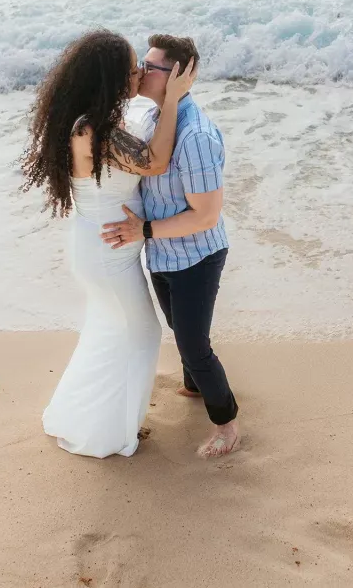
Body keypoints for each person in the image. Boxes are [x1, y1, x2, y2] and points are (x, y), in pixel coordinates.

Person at [20, 29, 195, 458]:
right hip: (106, 250)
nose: (138, 72)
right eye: (131, 66)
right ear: (108, 77)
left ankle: (86, 416)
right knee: (141, 331)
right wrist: (171, 100)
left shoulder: (92, 120)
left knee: (110, 329)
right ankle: (108, 431)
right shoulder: (92, 129)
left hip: (102, 245)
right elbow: (153, 162)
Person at [101, 34, 240, 458]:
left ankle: (228, 424)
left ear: (178, 76)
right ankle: (195, 385)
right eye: (142, 64)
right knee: (183, 331)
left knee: (194, 345)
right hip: (161, 253)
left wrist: (142, 231)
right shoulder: (151, 119)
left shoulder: (196, 136)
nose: (141, 72)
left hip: (197, 255)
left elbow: (206, 216)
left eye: (152, 66)